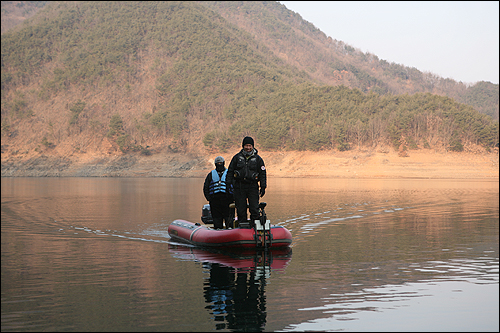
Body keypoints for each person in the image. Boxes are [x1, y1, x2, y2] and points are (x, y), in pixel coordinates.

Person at [226, 136, 266, 227]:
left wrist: (263, 186)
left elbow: (263, 173)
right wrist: (228, 184)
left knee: (254, 209)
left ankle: (255, 227)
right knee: (241, 209)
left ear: (253, 146)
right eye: (246, 145)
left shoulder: (258, 159)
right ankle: (242, 228)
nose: (248, 147)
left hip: (252, 186)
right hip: (239, 187)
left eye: (250, 145)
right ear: (243, 146)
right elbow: (230, 171)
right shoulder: (236, 158)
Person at [203, 156, 234, 229]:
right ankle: (217, 230)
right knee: (217, 218)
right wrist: (208, 198)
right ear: (215, 164)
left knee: (229, 218)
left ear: (224, 163)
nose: (219, 164)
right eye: (218, 163)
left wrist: (233, 198)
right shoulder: (211, 174)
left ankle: (230, 230)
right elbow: (206, 187)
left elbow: (235, 186)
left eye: (221, 163)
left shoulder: (229, 174)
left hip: (227, 199)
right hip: (215, 200)